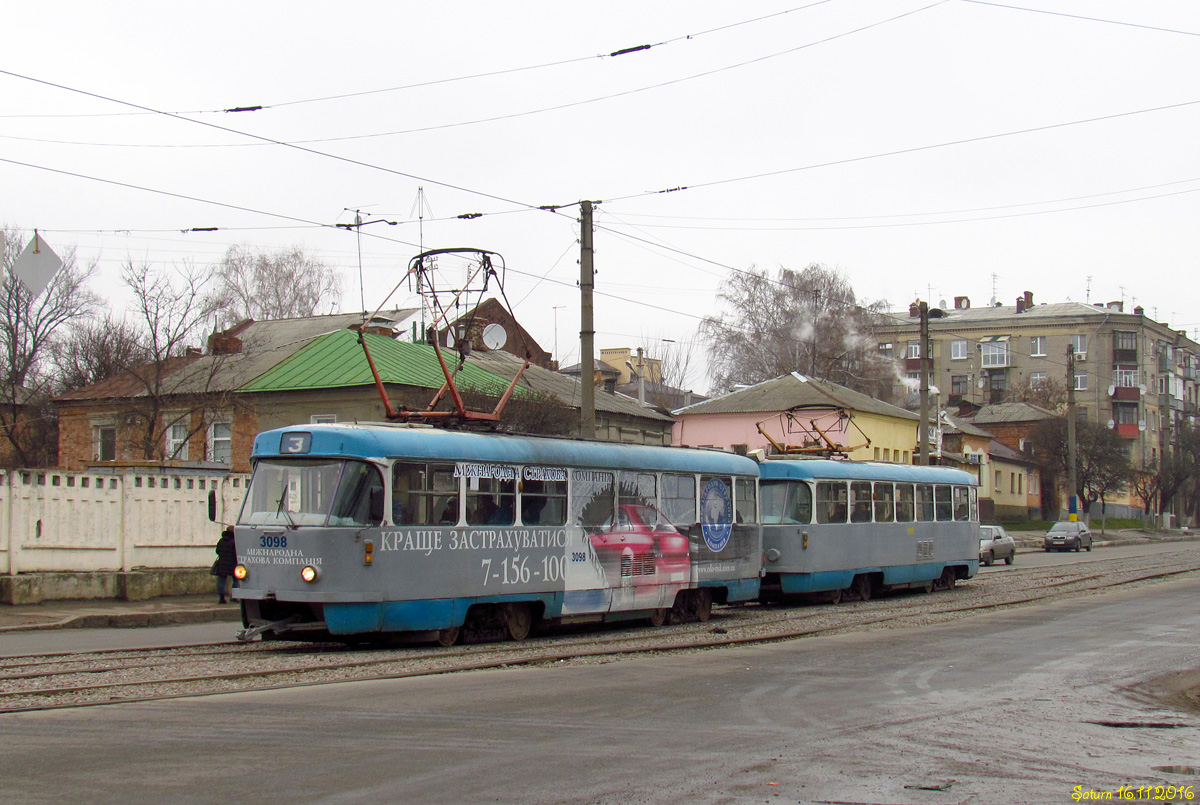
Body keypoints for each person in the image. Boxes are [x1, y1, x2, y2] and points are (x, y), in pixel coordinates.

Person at [212, 527, 237, 604]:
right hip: (232, 564)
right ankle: (234, 597)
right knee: (236, 580)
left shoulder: (221, 541)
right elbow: (236, 553)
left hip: (222, 563)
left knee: (222, 580)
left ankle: (221, 598)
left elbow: (217, 551)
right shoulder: (234, 542)